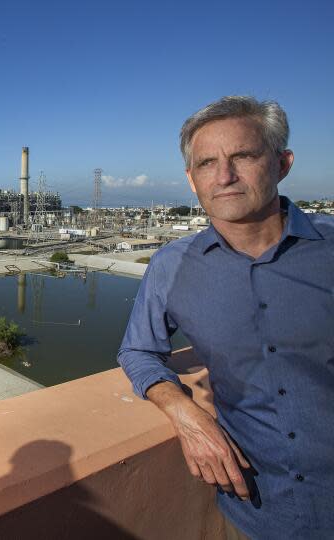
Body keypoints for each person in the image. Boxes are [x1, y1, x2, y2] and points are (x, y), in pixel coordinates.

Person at [117, 96, 333, 539]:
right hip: (256, 510)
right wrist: (183, 412)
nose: (225, 176)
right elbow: (138, 350)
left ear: (282, 163)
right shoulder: (172, 267)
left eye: (243, 156)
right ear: (191, 181)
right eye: (207, 163)